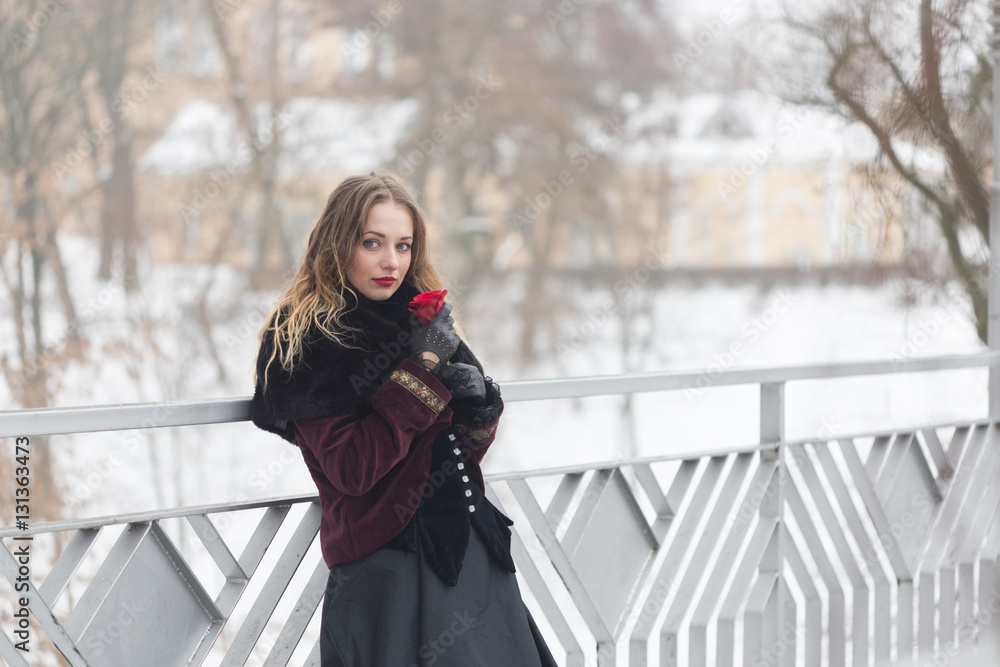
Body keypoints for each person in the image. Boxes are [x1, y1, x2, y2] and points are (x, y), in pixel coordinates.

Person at [250, 172, 558, 666]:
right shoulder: (310, 339)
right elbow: (352, 468)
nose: (391, 261)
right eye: (372, 243)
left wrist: (478, 406)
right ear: (337, 244)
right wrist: (422, 371)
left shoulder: (420, 322)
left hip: (470, 554)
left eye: (403, 245)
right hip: (388, 569)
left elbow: (458, 448)